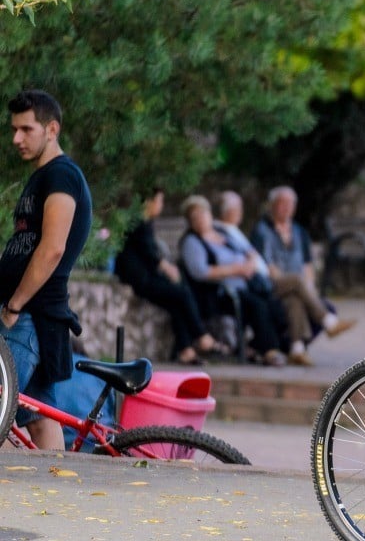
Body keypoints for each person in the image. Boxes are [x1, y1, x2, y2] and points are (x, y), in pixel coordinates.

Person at [0, 90, 92, 450]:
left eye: (26, 129)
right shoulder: (43, 176)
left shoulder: (62, 175)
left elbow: (52, 248)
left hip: (29, 317)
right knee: (39, 415)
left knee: (3, 409)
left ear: (51, 128)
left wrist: (14, 306)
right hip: (30, 316)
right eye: (13, 130)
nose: (16, 139)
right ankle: (55, 492)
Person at [114, 187, 227, 364]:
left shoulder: (145, 222)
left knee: (175, 303)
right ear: (150, 202)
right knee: (181, 293)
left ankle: (186, 350)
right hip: (139, 280)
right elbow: (149, 253)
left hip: (146, 277)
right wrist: (166, 267)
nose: (161, 205)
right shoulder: (140, 222)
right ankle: (202, 335)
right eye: (160, 201)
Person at [251, 186, 356, 366]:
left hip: (296, 290)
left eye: (290, 204)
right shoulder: (262, 231)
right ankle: (329, 322)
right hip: (271, 284)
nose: (286, 208)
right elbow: (268, 267)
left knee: (295, 298)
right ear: (272, 205)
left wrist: (308, 285)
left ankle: (297, 349)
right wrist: (299, 283)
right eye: (282, 203)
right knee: (296, 282)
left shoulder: (299, 232)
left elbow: (308, 265)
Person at [179, 195, 288, 367]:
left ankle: (260, 346)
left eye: (202, 214)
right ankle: (269, 351)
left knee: (275, 305)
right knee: (256, 305)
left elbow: (249, 251)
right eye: (195, 217)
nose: (200, 219)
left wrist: (250, 264)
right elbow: (200, 272)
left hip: (245, 284)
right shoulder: (192, 242)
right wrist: (235, 269)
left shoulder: (221, 234)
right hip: (219, 292)